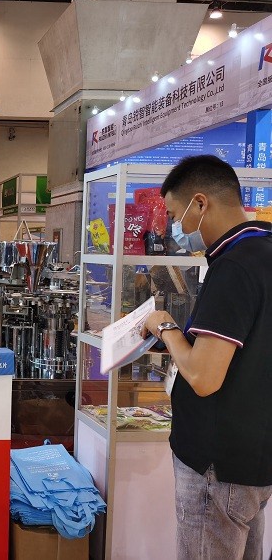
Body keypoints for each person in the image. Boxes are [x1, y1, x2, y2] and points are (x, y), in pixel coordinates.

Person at [140, 155, 272, 559]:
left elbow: (203, 377)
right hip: (255, 456)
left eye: (174, 215)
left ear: (200, 203)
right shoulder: (263, 250)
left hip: (217, 464)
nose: (174, 229)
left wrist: (164, 326)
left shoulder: (234, 267)